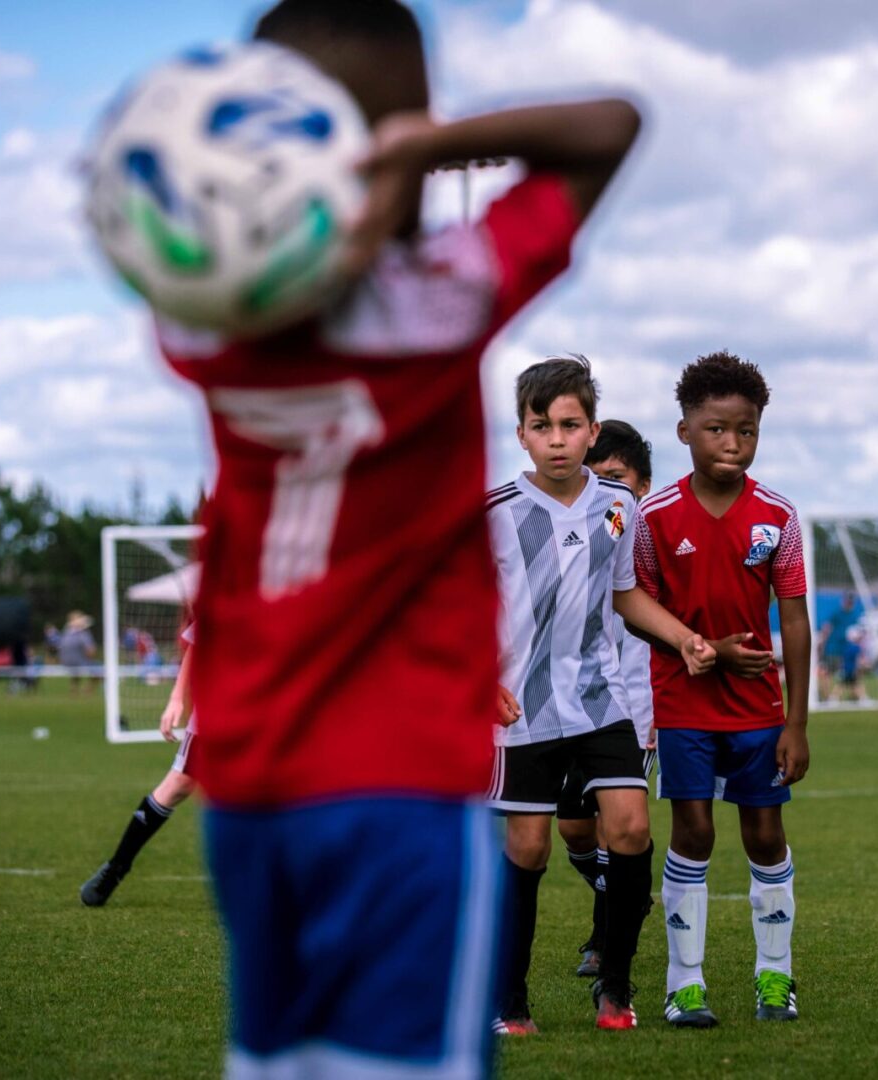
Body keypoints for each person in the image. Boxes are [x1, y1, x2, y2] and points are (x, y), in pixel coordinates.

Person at [153, 2, 642, 1074]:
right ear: (398, 141)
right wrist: (429, 144)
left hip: (251, 784)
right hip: (396, 782)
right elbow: (612, 126)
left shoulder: (200, 317)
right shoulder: (438, 301)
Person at [488, 359, 713, 1034]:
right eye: (541, 426)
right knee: (528, 850)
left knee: (630, 827)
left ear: (591, 431)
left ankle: (614, 989)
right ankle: (509, 1000)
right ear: (522, 435)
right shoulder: (494, 514)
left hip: (599, 700)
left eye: (570, 424)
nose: (556, 438)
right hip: (520, 708)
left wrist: (682, 638)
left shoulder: (619, 508)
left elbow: (626, 595)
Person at [635, 351, 811, 1027]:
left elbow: (792, 618)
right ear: (684, 430)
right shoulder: (655, 518)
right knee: (694, 830)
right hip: (683, 705)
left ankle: (775, 978)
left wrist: (796, 722)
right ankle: (684, 984)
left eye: (745, 429)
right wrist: (697, 650)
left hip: (758, 710)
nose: (731, 442)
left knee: (765, 834)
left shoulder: (777, 517)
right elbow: (637, 606)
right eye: (715, 428)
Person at [557, 419, 657, 981]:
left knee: (617, 823)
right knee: (573, 825)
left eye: (615, 476)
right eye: (595, 476)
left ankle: (604, 941)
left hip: (634, 708)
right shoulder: (577, 537)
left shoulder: (654, 542)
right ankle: (628, 891)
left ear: (641, 485)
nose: (604, 487)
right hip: (572, 705)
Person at [80, 625, 199, 906]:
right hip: (220, 706)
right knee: (178, 784)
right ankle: (117, 868)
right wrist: (176, 699)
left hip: (277, 706)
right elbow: (198, 645)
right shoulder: (232, 587)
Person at [56, 612, 98, 695]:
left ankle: (74, 689)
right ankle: (88, 689)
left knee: (76, 670)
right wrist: (91, 658)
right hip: (79, 662)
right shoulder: (83, 634)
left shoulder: (65, 633)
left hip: (65, 662)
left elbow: (59, 648)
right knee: (99, 669)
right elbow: (91, 651)